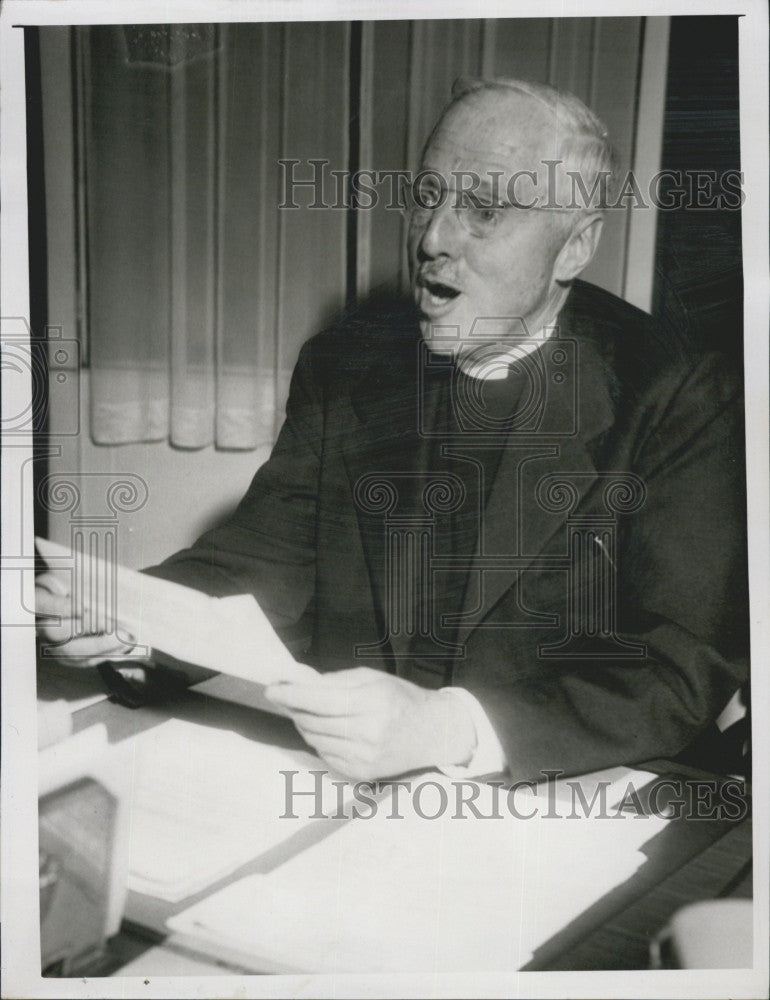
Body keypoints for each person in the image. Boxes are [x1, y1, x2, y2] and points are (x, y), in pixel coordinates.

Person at [35, 77, 748, 783]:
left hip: (563, 805)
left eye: (484, 211)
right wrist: (132, 626)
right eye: (428, 197)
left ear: (573, 248)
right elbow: (257, 566)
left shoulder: (677, 392)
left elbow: (674, 671)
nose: (433, 238)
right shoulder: (349, 362)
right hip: (347, 793)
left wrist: (450, 726)